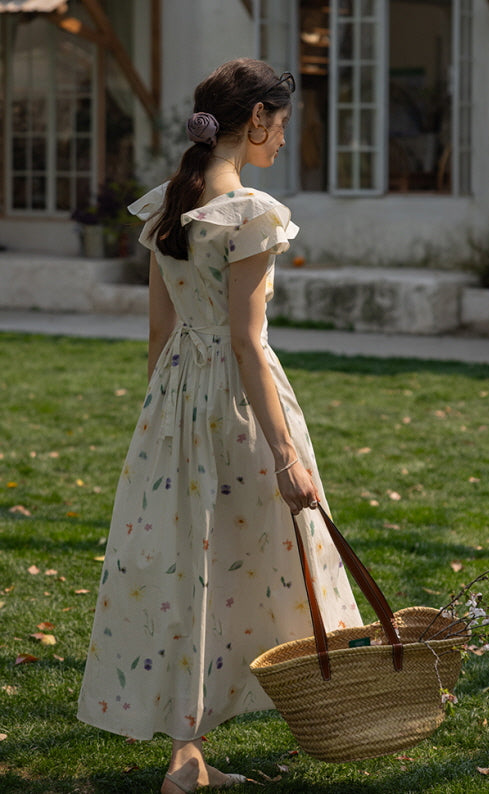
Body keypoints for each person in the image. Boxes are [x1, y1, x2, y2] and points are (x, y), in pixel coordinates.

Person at [77, 58, 362, 793]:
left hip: (174, 405)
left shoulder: (170, 206)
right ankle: (224, 741)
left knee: (190, 566)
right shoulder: (252, 214)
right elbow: (248, 342)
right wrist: (286, 451)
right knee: (247, 560)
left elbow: (156, 333)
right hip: (235, 404)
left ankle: (188, 754)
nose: (282, 137)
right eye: (281, 122)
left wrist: (160, 428)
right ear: (258, 118)